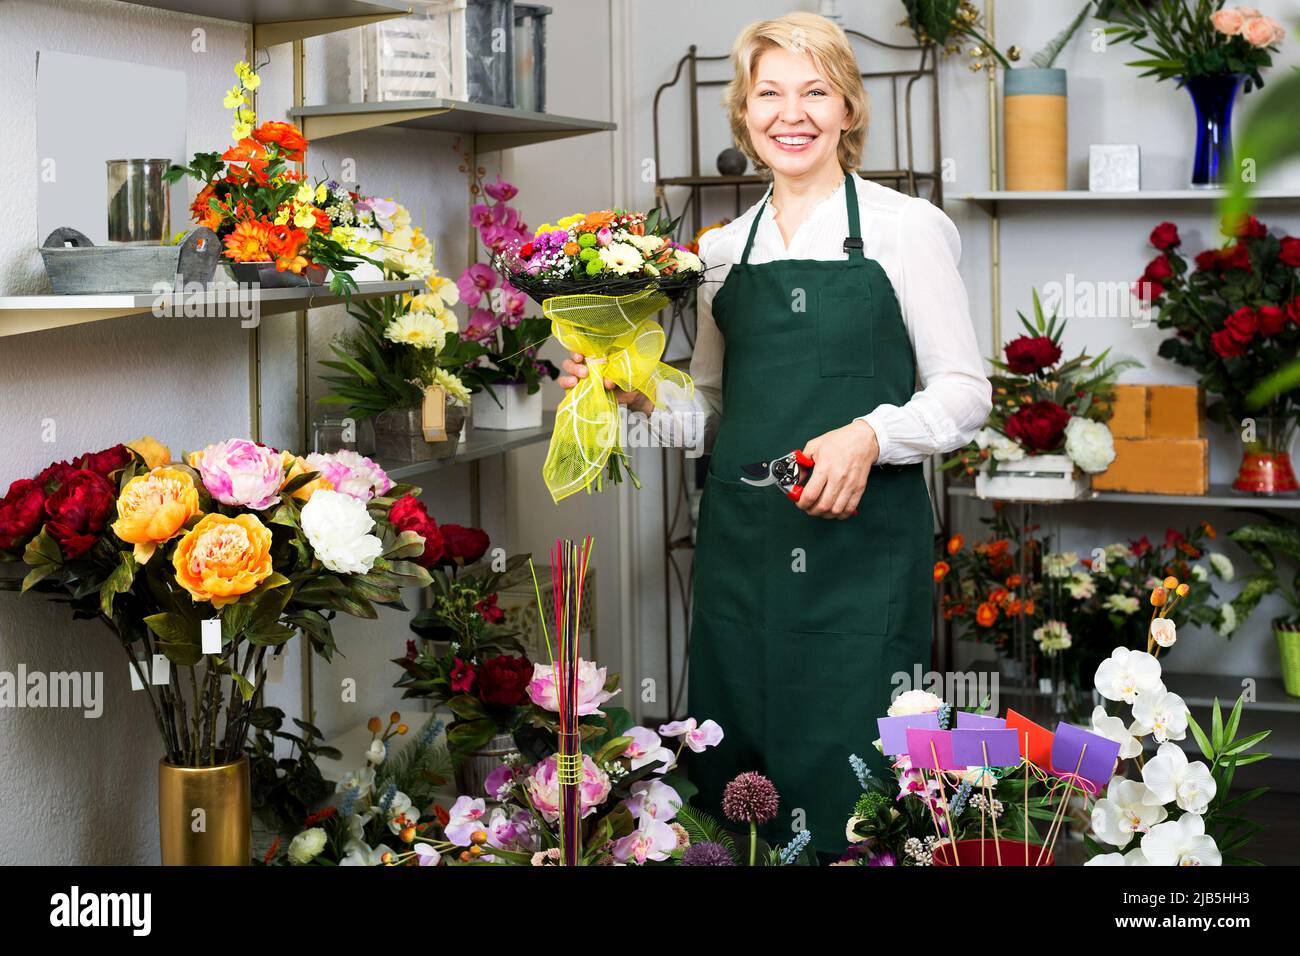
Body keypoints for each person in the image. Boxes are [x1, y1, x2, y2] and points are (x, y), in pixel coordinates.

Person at [558, 11, 991, 858]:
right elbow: (715, 410)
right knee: (737, 762)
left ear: (849, 110)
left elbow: (967, 392)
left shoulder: (907, 229)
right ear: (744, 113)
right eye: (770, 94)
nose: (791, 114)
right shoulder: (719, 250)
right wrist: (634, 396)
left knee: (857, 769)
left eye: (815, 92)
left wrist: (869, 435)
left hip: (860, 550)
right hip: (744, 549)